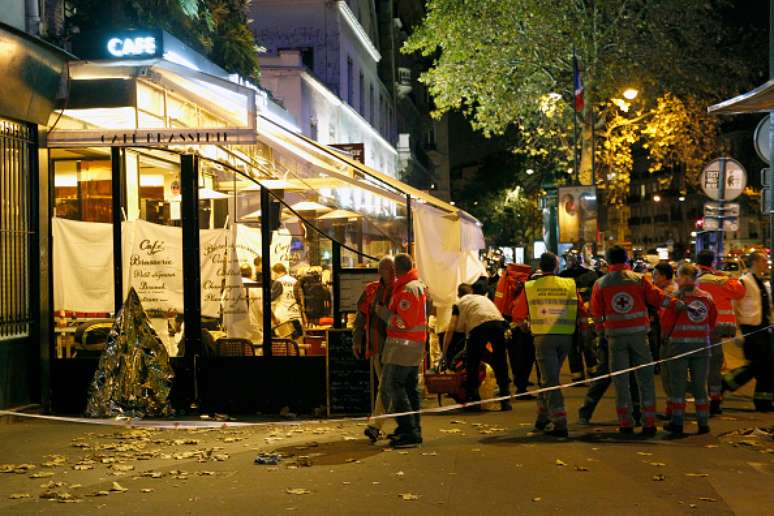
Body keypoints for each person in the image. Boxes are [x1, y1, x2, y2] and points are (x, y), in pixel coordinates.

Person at [590, 245, 675, 436]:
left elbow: (596, 314)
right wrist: (678, 304)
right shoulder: (639, 280)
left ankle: (625, 423)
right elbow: (658, 298)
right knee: (645, 380)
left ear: (608, 262)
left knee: (621, 382)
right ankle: (649, 423)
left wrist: (600, 334)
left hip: (615, 339)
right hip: (639, 337)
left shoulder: (601, 283)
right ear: (626, 260)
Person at [512, 252, 585, 438]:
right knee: (548, 378)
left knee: (550, 381)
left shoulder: (531, 286)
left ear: (540, 267)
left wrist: (525, 325)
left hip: (543, 337)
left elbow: (517, 314)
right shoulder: (569, 284)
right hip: (566, 338)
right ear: (556, 266)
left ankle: (560, 423)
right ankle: (542, 419)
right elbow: (582, 309)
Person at [376, 253, 428, 448]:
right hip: (414, 346)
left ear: (397, 270)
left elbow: (402, 322)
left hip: (402, 348)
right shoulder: (417, 286)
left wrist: (384, 314)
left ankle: (409, 431)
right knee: (409, 389)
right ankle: (413, 428)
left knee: (394, 386)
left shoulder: (407, 290)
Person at [660, 263, 717, 435]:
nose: (676, 279)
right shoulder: (707, 297)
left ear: (685, 277)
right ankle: (703, 423)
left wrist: (665, 337)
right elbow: (712, 320)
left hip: (678, 346)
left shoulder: (676, 298)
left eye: (678, 276)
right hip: (702, 346)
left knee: (678, 386)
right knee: (700, 386)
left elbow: (666, 321)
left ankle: (677, 423)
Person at [443, 283, 512, 411]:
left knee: (472, 362)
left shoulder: (458, 304)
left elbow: (451, 328)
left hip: (479, 328)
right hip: (499, 324)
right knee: (500, 361)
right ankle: (505, 399)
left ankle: (474, 400)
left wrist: (444, 352)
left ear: (459, 294)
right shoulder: (483, 299)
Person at [695, 250, 745, 415]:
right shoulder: (722, 280)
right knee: (715, 365)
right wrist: (729, 276)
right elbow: (740, 291)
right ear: (713, 263)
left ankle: (699, 399)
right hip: (719, 328)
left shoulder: (694, 282)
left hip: (697, 329)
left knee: (698, 365)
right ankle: (714, 400)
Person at [724, 252, 774, 412]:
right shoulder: (744, 282)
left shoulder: (762, 283)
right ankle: (725, 383)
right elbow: (734, 307)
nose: (766, 263)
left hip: (764, 328)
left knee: (766, 365)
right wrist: (737, 331)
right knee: (759, 364)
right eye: (764, 260)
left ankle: (763, 401)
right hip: (750, 329)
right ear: (755, 262)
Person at [352, 256, 395, 443]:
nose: (390, 273)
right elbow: (360, 316)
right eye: (386, 269)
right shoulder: (371, 290)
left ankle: (376, 425)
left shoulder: (402, 289)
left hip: (397, 346)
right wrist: (357, 339)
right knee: (386, 386)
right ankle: (396, 425)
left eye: (392, 269)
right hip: (378, 344)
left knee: (387, 386)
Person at [560, 251, 599, 382]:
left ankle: (592, 368)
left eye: (570, 259)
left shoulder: (590, 275)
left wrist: (590, 304)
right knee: (571, 345)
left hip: (586, 315)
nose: (568, 261)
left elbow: (595, 293)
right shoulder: (562, 276)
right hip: (569, 315)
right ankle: (577, 372)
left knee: (588, 342)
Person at [652, 261, 677, 420]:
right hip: (671, 338)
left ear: (663, 276)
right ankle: (672, 409)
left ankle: (673, 412)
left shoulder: (669, 293)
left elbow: (666, 318)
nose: (653, 279)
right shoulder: (669, 290)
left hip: (670, 339)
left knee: (670, 376)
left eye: (655, 275)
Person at [270, 263, 303, 339]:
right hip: (296, 315)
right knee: (297, 342)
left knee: (285, 344)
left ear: (277, 272)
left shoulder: (278, 281)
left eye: (273, 273)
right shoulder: (295, 281)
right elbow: (300, 299)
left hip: (283, 318)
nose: (273, 276)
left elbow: (270, 298)